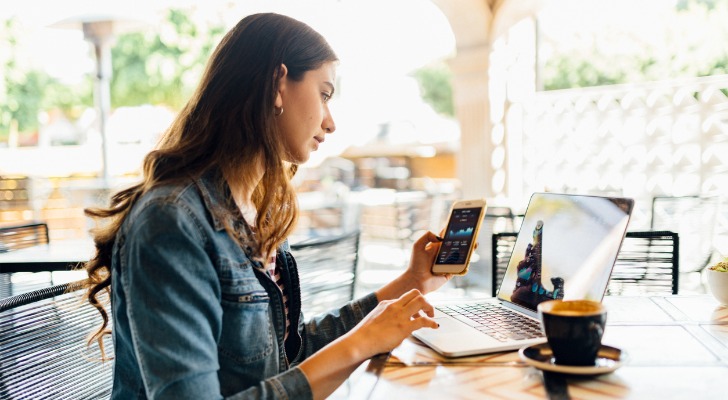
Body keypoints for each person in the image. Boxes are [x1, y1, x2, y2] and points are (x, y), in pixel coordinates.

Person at [82, 12, 453, 400]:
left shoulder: (258, 211)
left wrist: (412, 283)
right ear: (278, 83)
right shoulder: (171, 221)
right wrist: (359, 344)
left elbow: (287, 356)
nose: (331, 122)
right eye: (324, 94)